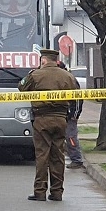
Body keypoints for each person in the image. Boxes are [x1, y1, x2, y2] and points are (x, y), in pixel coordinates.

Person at [18, 49, 77, 201]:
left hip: (42, 118)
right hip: (61, 118)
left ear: (43, 60)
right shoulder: (68, 76)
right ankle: (57, 192)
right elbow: (76, 94)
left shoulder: (36, 75)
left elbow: (21, 87)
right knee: (58, 155)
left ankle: (40, 191)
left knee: (42, 155)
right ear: (56, 60)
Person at [57, 61, 85, 169]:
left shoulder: (71, 80)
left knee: (71, 137)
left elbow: (78, 98)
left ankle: (77, 160)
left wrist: (75, 114)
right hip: (59, 114)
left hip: (70, 115)